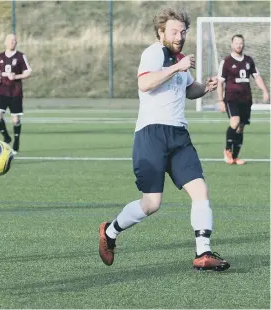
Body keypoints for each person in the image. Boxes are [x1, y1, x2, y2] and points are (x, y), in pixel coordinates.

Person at [98, 7, 230, 271]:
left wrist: (205, 86)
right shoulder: (154, 53)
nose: (180, 36)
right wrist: (177, 68)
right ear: (161, 32)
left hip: (179, 134)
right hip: (152, 134)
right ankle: (110, 232)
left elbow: (188, 90)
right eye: (174, 31)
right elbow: (145, 83)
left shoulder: (178, 58)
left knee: (200, 191)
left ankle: (203, 253)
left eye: (183, 31)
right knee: (151, 203)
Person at [217, 34, 269, 165]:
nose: (239, 45)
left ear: (243, 44)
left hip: (246, 99)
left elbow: (256, 77)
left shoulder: (249, 60)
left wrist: (265, 91)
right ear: (231, 44)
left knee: (241, 127)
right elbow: (220, 82)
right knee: (235, 122)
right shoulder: (226, 61)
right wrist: (220, 100)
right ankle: (227, 150)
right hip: (231, 98)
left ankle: (235, 157)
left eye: (241, 43)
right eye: (236, 43)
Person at [0, 33, 32, 153]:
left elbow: (28, 72)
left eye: (14, 40)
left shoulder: (20, 56)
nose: (12, 42)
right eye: (10, 40)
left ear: (16, 42)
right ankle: (6, 137)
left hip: (15, 92)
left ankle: (16, 142)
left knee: (15, 120)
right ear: (5, 42)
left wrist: (17, 76)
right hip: (2, 91)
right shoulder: (0, 56)